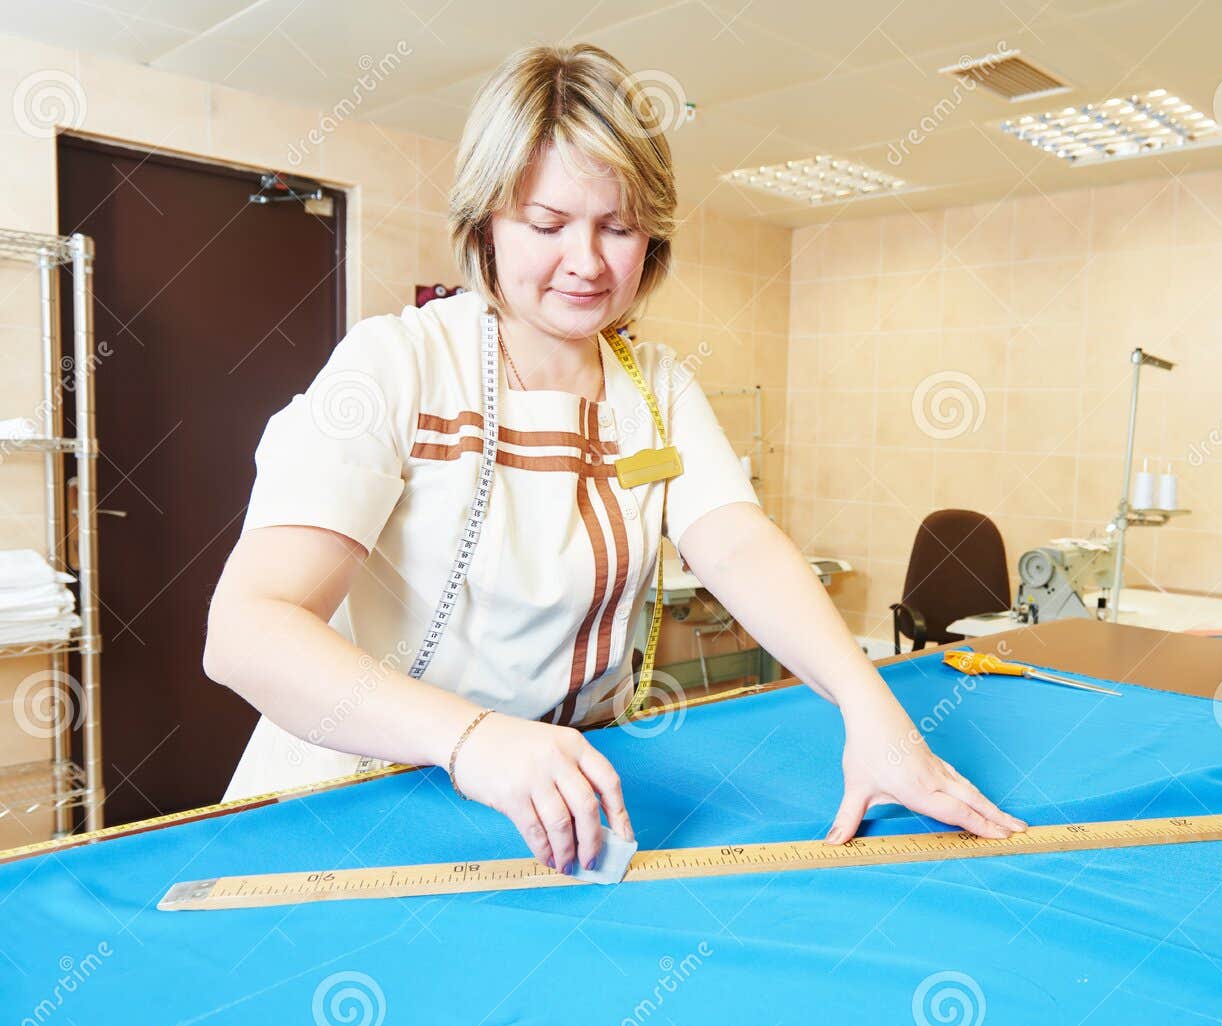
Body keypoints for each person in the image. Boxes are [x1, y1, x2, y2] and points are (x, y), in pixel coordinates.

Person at [204, 43, 1024, 876]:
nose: (588, 263)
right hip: (355, 801)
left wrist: (868, 704)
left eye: (618, 227)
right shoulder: (394, 364)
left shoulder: (657, 386)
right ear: (486, 222)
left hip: (556, 807)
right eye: (548, 224)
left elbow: (737, 544)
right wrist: (471, 739)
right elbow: (246, 632)